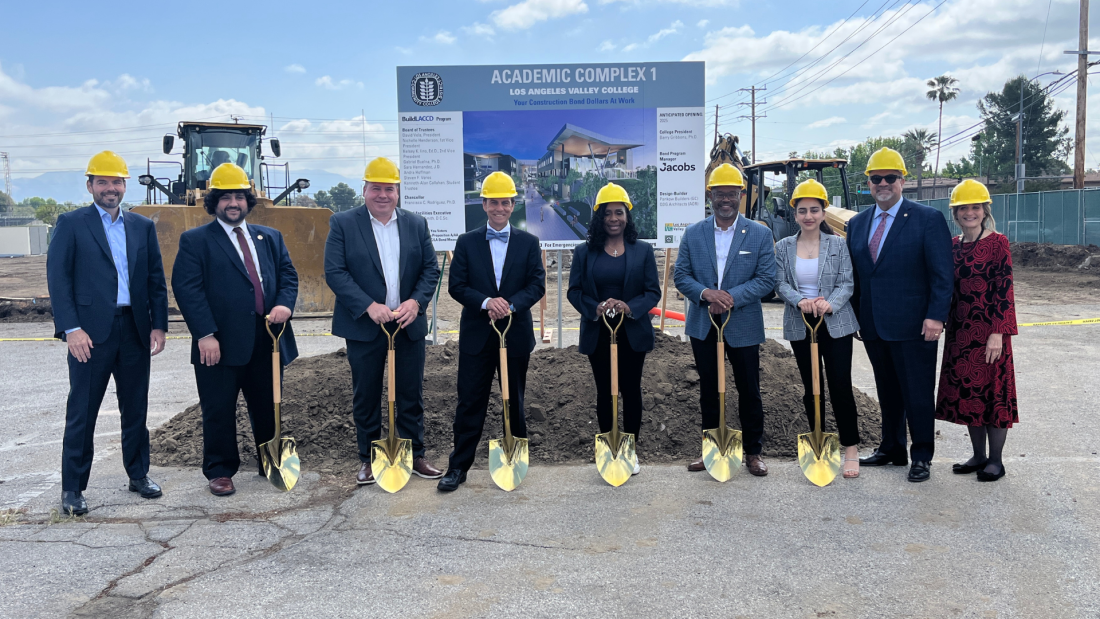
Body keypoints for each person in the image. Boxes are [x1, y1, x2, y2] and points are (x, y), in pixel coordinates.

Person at [47, 151, 169, 515]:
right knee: (82, 412)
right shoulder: (71, 223)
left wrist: (159, 325)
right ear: (90, 186)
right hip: (89, 334)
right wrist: (71, 329)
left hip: (134, 328)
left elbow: (155, 280)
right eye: (103, 182)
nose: (110, 188)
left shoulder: (141, 226)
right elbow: (59, 279)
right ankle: (73, 489)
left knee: (136, 409)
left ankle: (138, 474)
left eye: (116, 182)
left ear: (124, 185)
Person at [172, 163, 299, 497]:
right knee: (218, 408)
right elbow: (188, 290)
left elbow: (287, 275)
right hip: (220, 342)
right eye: (225, 197)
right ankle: (220, 470)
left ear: (249, 200)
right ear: (213, 202)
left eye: (239, 197)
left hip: (268, 339)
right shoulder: (195, 241)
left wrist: (285, 304)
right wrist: (205, 334)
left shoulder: (269, 237)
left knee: (269, 404)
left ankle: (270, 462)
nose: (233, 203)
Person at [324, 157, 442, 485]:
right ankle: (369, 458)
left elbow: (430, 269)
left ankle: (415, 455)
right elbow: (335, 271)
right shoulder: (343, 224)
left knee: (410, 393)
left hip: (406, 324)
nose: (382, 195)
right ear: (364, 190)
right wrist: (367, 305)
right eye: (376, 188)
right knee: (367, 394)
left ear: (398, 192)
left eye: (389, 188)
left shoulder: (416, 224)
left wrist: (416, 303)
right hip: (365, 326)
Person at [847, 147, 953, 483]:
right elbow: (859, 276)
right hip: (874, 325)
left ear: (901, 181)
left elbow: (942, 274)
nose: (883, 184)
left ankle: (921, 454)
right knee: (887, 390)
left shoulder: (927, 219)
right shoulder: (857, 223)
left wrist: (936, 316)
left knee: (917, 392)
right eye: (876, 178)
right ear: (869, 182)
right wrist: (856, 317)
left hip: (915, 325)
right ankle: (892, 448)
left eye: (889, 178)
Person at [439, 171, 546, 492]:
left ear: (513, 205)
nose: (499, 207)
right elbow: (456, 287)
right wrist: (487, 302)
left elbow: (536, 285)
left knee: (514, 400)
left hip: (514, 336)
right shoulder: (466, 242)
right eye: (493, 202)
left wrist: (509, 305)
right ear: (483, 204)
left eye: (505, 202)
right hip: (477, 336)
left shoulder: (529, 243)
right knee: (470, 402)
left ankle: (514, 459)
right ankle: (458, 467)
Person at [674, 163, 777, 477]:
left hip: (743, 323)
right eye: (720, 194)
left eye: (732, 194)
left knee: (749, 390)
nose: (726, 200)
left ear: (741, 195)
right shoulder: (694, 234)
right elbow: (681, 276)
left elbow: (766, 279)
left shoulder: (759, 233)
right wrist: (707, 294)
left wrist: (730, 296)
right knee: (708, 389)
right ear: (711, 195)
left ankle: (753, 452)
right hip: (704, 324)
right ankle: (711, 450)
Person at [567, 183, 661, 474]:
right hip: (599, 332)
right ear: (599, 217)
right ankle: (610, 448)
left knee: (631, 391)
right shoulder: (584, 252)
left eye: (619, 212)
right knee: (605, 392)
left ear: (627, 216)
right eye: (607, 213)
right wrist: (594, 308)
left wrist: (629, 307)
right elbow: (574, 291)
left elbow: (652, 292)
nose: (613, 218)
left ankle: (630, 450)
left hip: (631, 331)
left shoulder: (643, 250)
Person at [774, 179, 861, 479]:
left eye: (814, 210)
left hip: (834, 323)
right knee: (812, 388)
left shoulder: (838, 243)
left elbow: (847, 282)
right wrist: (800, 301)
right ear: (794, 215)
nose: (808, 216)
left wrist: (829, 304)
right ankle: (817, 441)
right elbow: (780, 282)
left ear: (824, 212)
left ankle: (850, 448)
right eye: (802, 211)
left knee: (840, 386)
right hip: (802, 323)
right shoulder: (784, 247)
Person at [935, 180, 1018, 482]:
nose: (970, 212)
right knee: (970, 394)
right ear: (955, 213)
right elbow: (945, 288)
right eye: (963, 208)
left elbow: (1004, 289)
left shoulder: (998, 243)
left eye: (975, 207)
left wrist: (998, 332)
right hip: (961, 333)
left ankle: (996, 460)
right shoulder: (954, 246)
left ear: (984, 211)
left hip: (990, 333)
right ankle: (978, 455)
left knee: (993, 394)